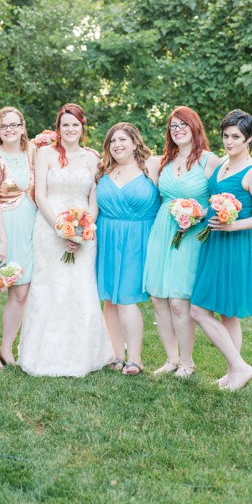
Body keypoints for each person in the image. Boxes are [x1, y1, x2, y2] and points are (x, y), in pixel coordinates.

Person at [19, 103, 114, 376]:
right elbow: (40, 195)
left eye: (75, 124)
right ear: (58, 129)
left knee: (81, 287)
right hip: (49, 228)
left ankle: (84, 354)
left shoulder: (92, 158)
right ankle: (42, 354)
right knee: (50, 286)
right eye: (65, 125)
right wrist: (60, 228)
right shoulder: (45, 154)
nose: (70, 129)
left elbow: (93, 200)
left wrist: (85, 229)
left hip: (84, 231)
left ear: (83, 127)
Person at [190, 110, 252, 391]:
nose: (229, 142)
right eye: (226, 136)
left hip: (233, 243)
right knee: (227, 313)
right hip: (213, 241)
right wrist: (195, 213)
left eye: (236, 137)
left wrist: (235, 225)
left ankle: (240, 367)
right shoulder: (223, 164)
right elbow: (214, 203)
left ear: (249, 137)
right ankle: (233, 373)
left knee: (199, 311)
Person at [143, 106, 220, 378]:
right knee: (158, 299)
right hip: (163, 230)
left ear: (194, 127)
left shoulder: (209, 161)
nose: (177, 129)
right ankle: (171, 359)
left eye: (182, 124)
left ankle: (187, 362)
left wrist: (200, 212)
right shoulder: (161, 161)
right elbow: (124, 158)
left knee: (178, 300)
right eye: (173, 126)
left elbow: (222, 196)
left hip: (191, 234)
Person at [95, 123, 160, 375]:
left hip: (138, 239)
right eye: (112, 141)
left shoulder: (151, 167)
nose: (117, 145)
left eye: (123, 140)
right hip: (107, 237)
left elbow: (186, 164)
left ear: (135, 143)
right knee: (110, 299)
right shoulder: (103, 171)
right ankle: (116, 355)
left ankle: (135, 358)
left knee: (126, 299)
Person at [0, 107, 36, 370]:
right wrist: (3, 239)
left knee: (21, 290)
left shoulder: (32, 154)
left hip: (27, 225)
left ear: (23, 127)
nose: (9, 130)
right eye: (3, 126)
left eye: (14, 125)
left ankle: (6, 347)